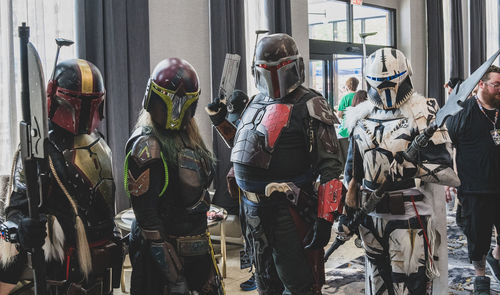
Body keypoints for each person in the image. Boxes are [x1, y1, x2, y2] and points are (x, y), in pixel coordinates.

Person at [207, 33, 344, 295]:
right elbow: (245, 150)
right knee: (265, 280)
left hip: (288, 209)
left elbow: (331, 169)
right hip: (252, 209)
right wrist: (220, 121)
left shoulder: (311, 103)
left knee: (298, 283)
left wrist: (326, 220)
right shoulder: (256, 102)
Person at [343, 48, 460, 294]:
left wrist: (412, 168)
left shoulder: (423, 111)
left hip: (408, 215)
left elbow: (449, 173)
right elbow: (352, 174)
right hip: (370, 216)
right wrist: (348, 212)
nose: (386, 92)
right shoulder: (360, 116)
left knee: (408, 286)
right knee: (378, 285)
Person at [0, 59, 121, 294]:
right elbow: (15, 209)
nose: (84, 111)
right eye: (79, 103)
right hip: (60, 270)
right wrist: (23, 227)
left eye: (90, 103)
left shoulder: (99, 142)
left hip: (100, 265)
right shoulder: (39, 150)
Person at [125, 57, 223, 294]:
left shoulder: (190, 138)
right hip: (162, 261)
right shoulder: (147, 144)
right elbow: (148, 218)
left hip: (198, 249)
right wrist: (174, 277)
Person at [446, 65, 500, 294]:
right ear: (481, 84)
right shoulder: (462, 113)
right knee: (478, 239)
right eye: (496, 85)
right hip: (474, 188)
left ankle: (495, 256)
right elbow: (447, 148)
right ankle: (481, 278)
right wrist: (448, 179)